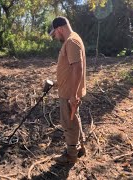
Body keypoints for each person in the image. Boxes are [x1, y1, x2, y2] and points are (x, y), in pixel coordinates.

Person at [48, 16, 87, 165]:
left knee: (68, 123)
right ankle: (80, 147)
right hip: (68, 90)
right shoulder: (73, 39)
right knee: (74, 119)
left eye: (55, 33)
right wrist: (59, 82)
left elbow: (78, 68)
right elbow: (71, 68)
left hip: (69, 93)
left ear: (60, 29)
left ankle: (71, 155)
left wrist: (72, 94)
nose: (55, 37)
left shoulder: (71, 41)